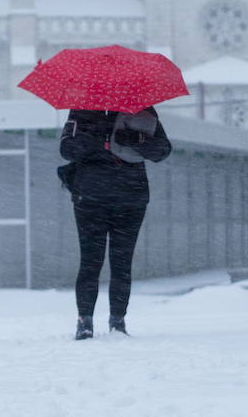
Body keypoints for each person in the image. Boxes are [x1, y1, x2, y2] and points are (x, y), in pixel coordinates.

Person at [59, 107, 171, 339]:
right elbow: (67, 150)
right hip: (91, 197)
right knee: (91, 260)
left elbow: (162, 150)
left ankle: (118, 320)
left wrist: (135, 139)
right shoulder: (82, 111)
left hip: (130, 198)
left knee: (122, 262)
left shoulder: (143, 110)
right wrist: (97, 137)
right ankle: (85, 320)